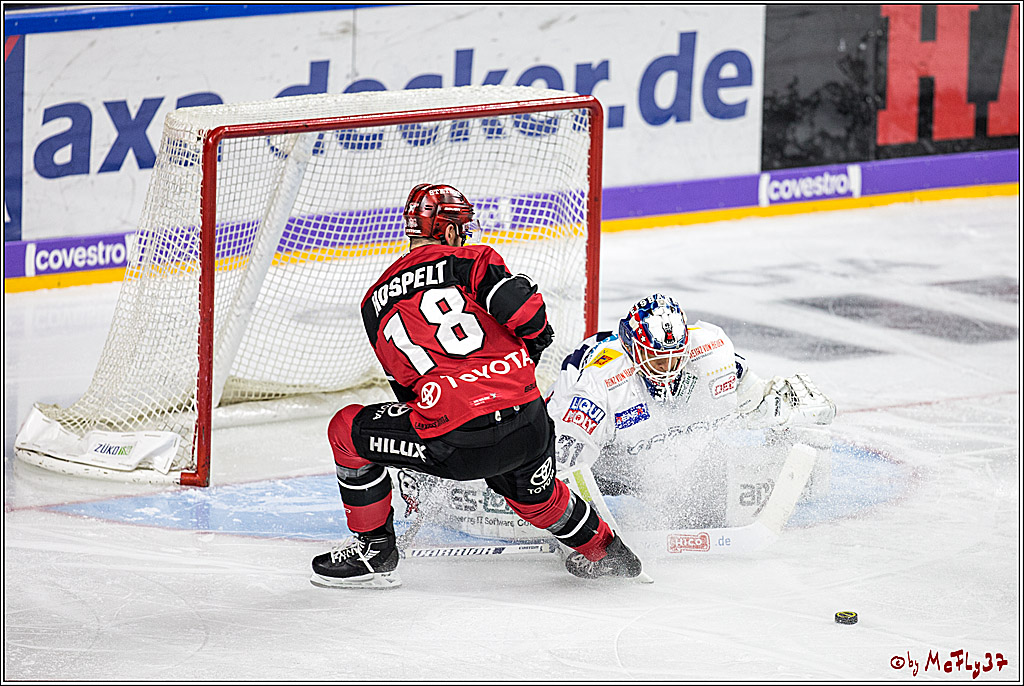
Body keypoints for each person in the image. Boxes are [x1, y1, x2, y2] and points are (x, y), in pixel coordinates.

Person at [310, 184, 642, 588]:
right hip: (529, 425)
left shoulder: (373, 302)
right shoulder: (473, 259)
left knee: (346, 430)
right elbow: (529, 319)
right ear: (449, 230)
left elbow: (408, 390)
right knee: (534, 495)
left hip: (457, 443)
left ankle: (374, 549)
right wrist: (518, 362)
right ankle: (609, 553)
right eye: (462, 227)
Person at [544, 293, 837, 529]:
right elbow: (564, 463)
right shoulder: (599, 382)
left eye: (675, 358)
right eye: (657, 359)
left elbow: (755, 399)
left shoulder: (712, 353)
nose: (668, 370)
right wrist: (583, 532)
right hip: (608, 460)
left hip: (667, 458)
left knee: (708, 509)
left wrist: (788, 414)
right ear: (632, 349)